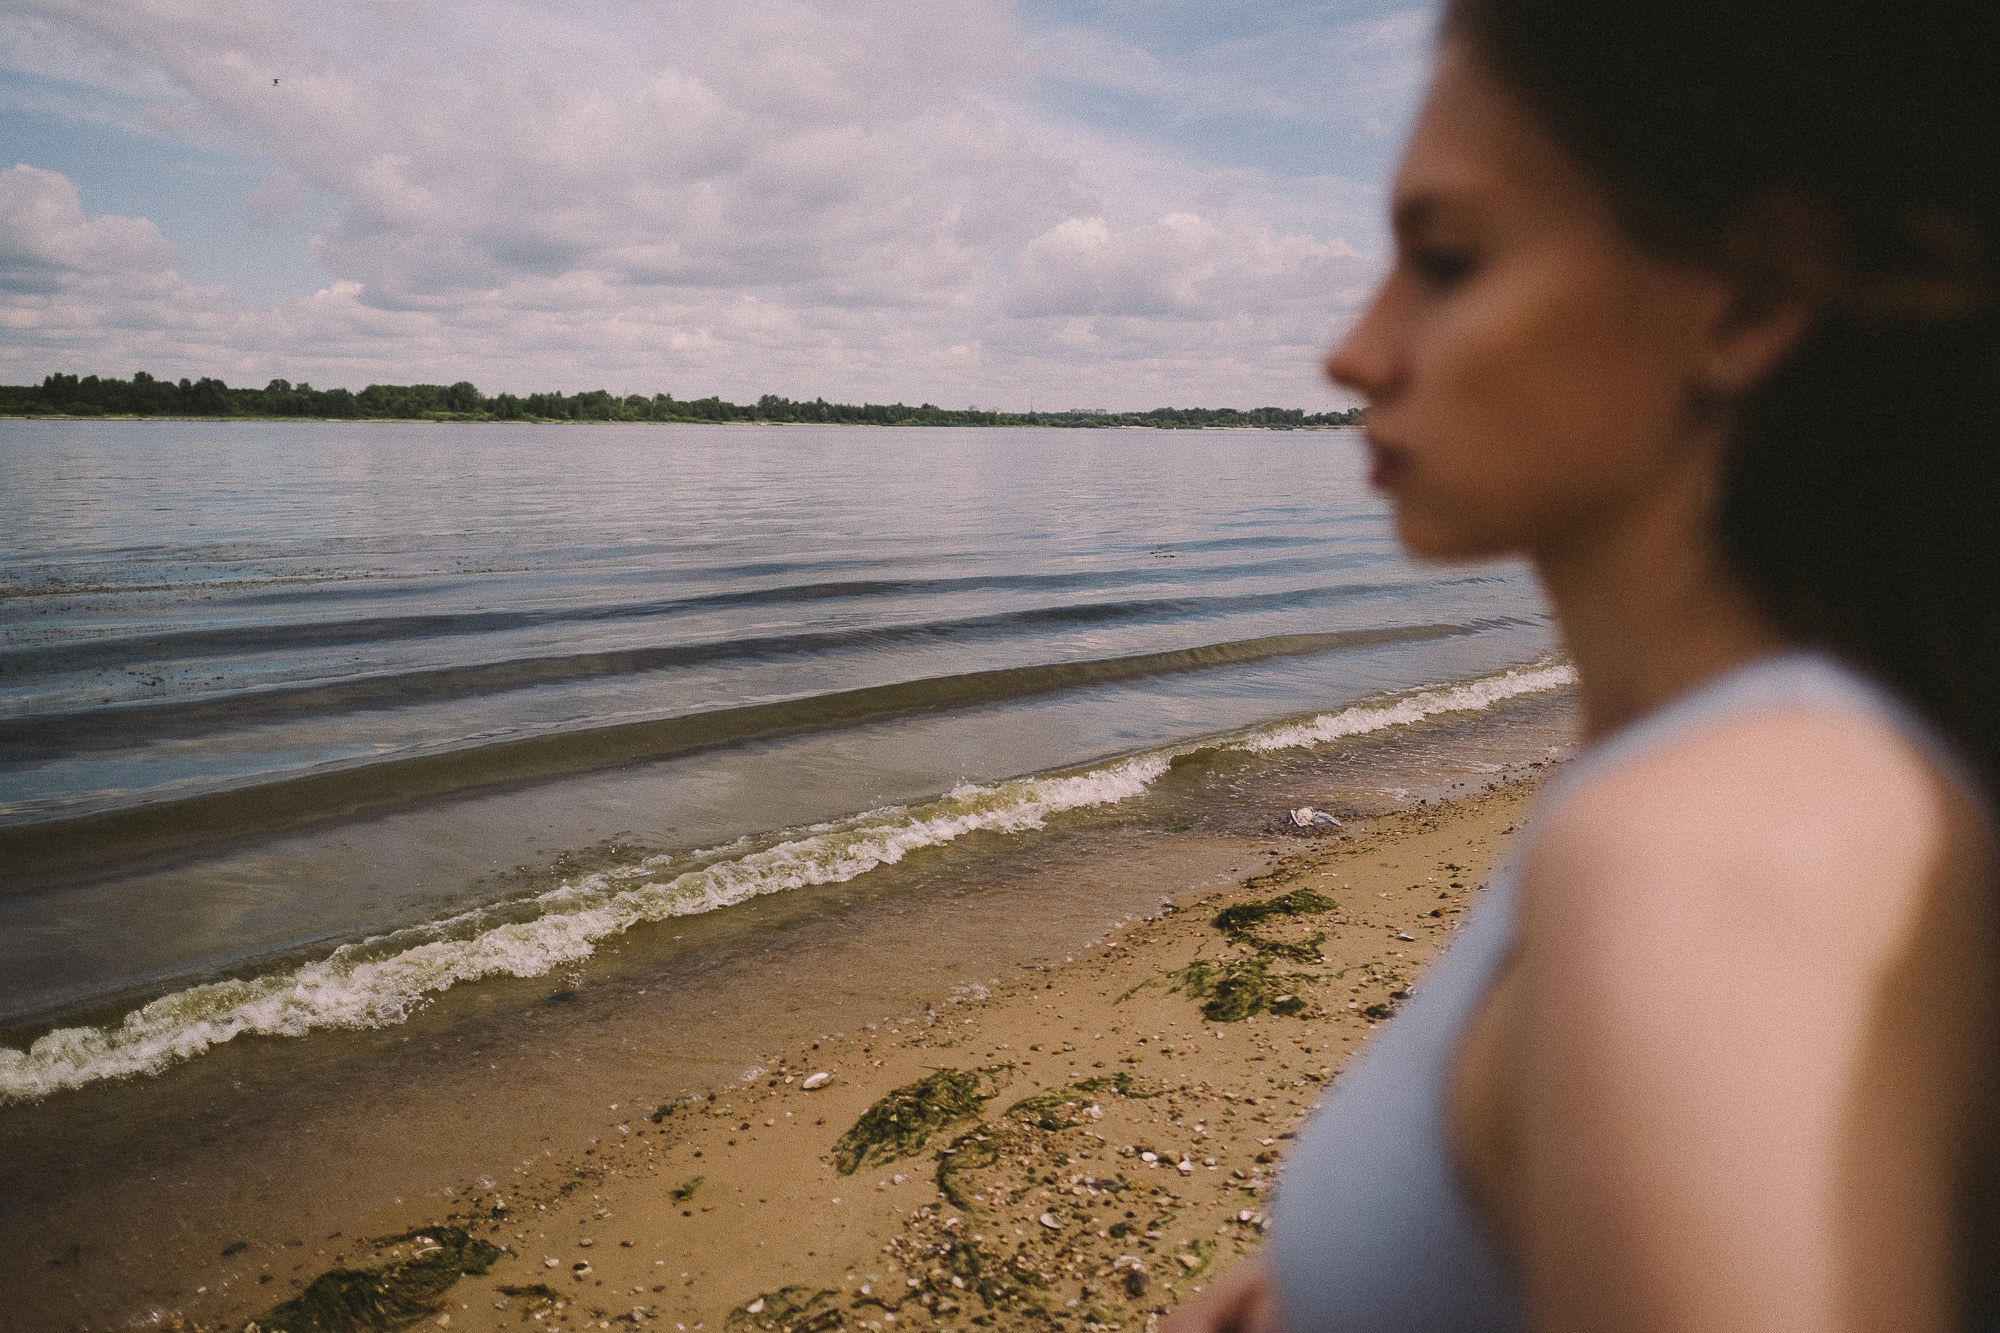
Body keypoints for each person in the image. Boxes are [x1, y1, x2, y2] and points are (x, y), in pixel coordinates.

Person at [1165, 1, 2000, 1329]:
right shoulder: (1723, 769)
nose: (1353, 352)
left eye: (1443, 261)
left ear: (1752, 295)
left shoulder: (1698, 855)